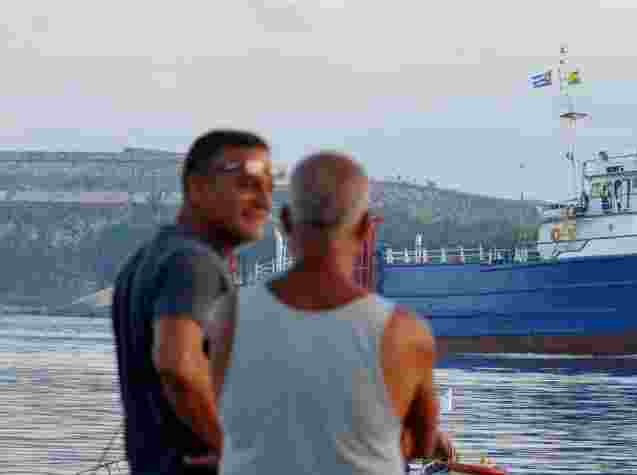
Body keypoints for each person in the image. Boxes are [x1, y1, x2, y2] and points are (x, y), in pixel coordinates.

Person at [218, 151, 455, 475]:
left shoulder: (228, 320)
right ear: (364, 228)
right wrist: (433, 442)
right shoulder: (405, 333)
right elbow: (423, 444)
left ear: (286, 221)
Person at [110, 130, 274, 474]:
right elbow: (177, 365)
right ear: (198, 188)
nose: (264, 201)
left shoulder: (146, 259)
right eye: (246, 185)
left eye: (268, 187)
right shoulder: (194, 262)